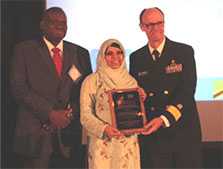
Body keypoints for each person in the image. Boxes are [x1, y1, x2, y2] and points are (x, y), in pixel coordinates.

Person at [10, 7, 92, 168]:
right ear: (42, 25)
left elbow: (87, 91)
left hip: (70, 139)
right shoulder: (24, 50)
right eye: (54, 22)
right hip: (35, 137)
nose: (60, 25)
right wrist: (50, 113)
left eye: (64, 23)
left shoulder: (80, 53)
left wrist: (70, 113)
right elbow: (18, 88)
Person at [129, 7, 202, 168]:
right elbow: (139, 93)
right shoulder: (136, 57)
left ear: (164, 23)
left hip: (183, 133)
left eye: (159, 23)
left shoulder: (184, 51)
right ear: (142, 27)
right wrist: (139, 95)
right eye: (149, 25)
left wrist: (164, 119)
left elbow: (187, 91)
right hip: (154, 137)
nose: (156, 28)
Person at [80, 39, 146, 169]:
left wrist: (140, 99)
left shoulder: (131, 81)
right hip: (103, 145)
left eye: (119, 52)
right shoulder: (92, 81)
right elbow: (85, 115)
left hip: (127, 145)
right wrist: (104, 129)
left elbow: (135, 112)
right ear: (102, 56)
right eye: (109, 53)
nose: (115, 57)